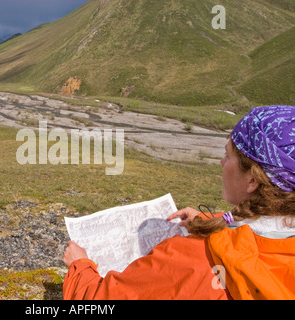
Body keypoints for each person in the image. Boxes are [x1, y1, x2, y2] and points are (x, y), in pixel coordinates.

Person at [62, 105, 295, 300]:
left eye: (229, 155)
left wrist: (80, 265)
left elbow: (100, 300)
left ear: (253, 179)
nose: (222, 162)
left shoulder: (190, 257)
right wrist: (211, 223)